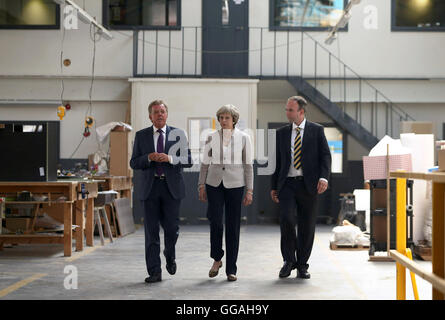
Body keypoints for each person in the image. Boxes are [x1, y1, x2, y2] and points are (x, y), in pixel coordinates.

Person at [130, 99, 192, 283]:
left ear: (167, 114)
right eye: (156, 112)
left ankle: (169, 254)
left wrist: (170, 158)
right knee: (151, 232)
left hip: (171, 188)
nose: (159, 115)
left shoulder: (178, 134)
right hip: (149, 188)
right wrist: (148, 157)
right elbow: (133, 163)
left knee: (172, 229)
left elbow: (188, 160)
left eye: (162, 112)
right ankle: (154, 271)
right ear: (150, 116)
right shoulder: (141, 136)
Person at [270, 96, 331, 279]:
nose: (287, 113)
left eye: (290, 110)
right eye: (287, 109)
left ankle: (302, 264)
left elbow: (325, 156)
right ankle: (289, 261)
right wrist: (274, 186)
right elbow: (278, 162)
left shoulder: (316, 130)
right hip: (287, 184)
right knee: (286, 220)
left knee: (307, 225)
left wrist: (324, 178)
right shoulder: (281, 133)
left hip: (308, 185)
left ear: (301, 112)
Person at [198, 104, 253, 282]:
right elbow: (205, 163)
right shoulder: (211, 137)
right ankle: (217, 259)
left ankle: (231, 268)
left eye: (226, 117)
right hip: (214, 183)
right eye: (220, 117)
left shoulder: (244, 138)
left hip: (236, 185)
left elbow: (248, 166)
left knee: (232, 226)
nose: (223, 120)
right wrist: (201, 185)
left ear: (234, 119)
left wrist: (249, 190)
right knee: (215, 221)